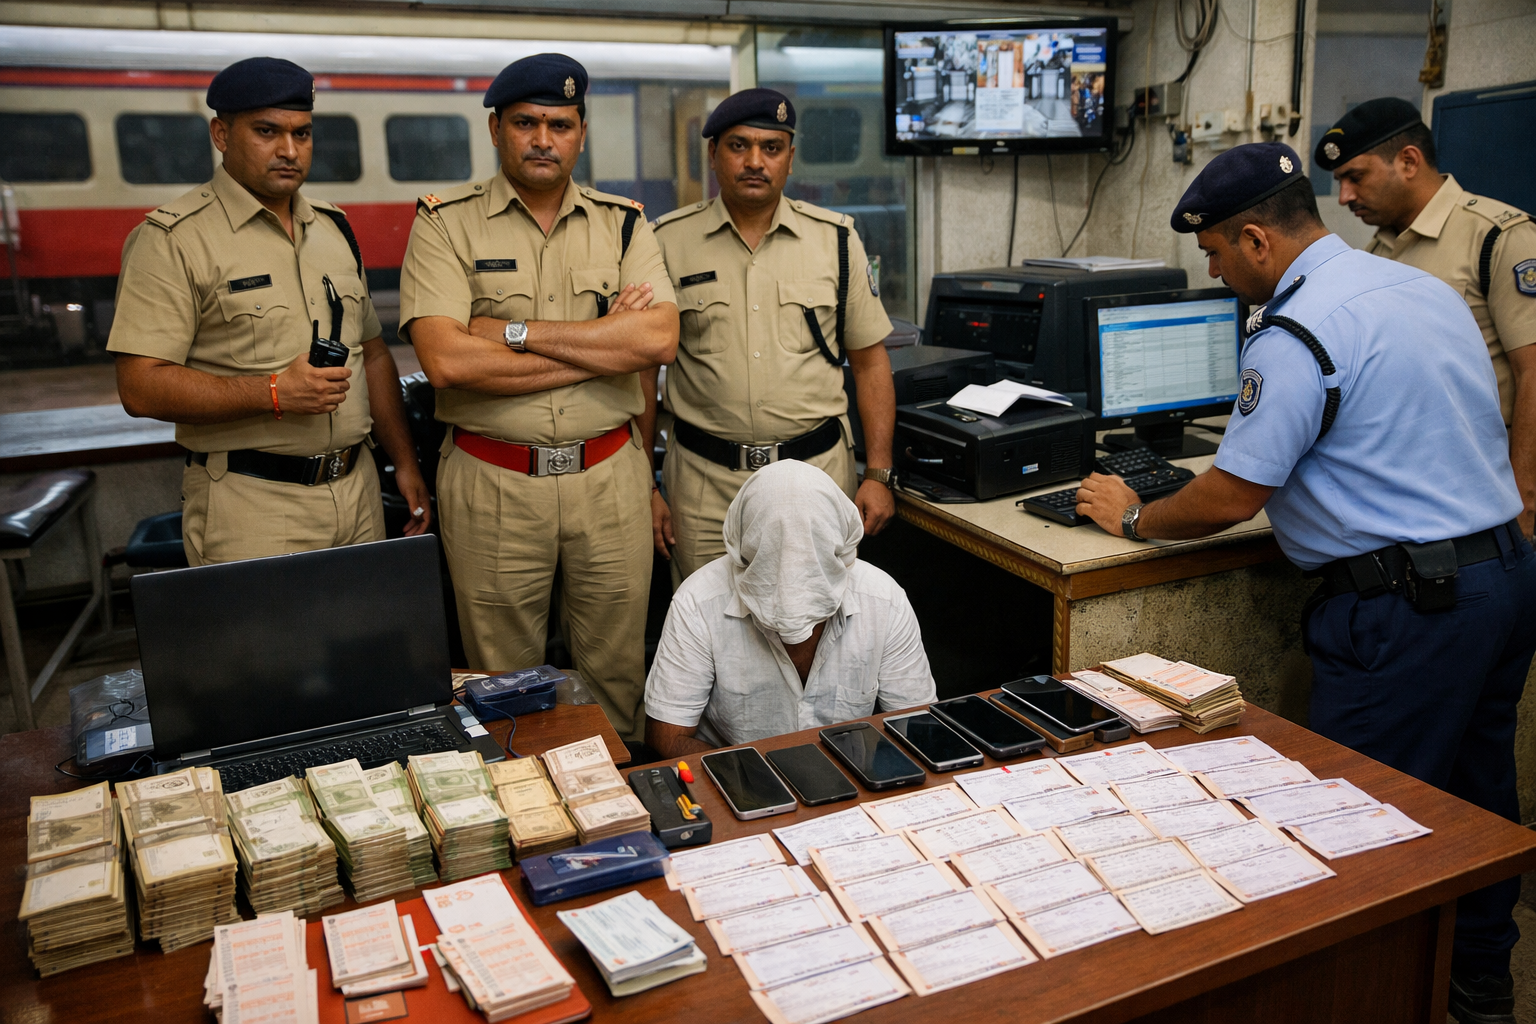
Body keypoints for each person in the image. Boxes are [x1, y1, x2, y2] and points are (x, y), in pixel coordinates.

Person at [1075, 141, 1536, 1024]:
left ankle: (1360, 999)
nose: (1214, 272)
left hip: (1409, 608)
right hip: (1504, 577)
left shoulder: (1294, 329)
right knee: (1475, 799)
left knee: (1358, 823)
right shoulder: (1418, 287)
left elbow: (1230, 495)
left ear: (1257, 240)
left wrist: (1135, 516)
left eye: (1215, 252)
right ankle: (1479, 988)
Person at [398, 53, 678, 742]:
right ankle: (525, 800)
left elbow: (658, 339)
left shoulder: (624, 224)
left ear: (582, 133)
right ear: (496, 129)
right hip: (493, 481)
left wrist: (511, 333)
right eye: (526, 123)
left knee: (617, 676)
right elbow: (446, 361)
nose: (543, 139)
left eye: (560, 125)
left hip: (609, 478)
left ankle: (615, 798)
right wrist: (601, 347)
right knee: (501, 686)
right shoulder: (445, 223)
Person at [109, 57, 430, 566]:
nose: (289, 151)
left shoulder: (333, 229)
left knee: (362, 622)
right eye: (267, 132)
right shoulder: (173, 240)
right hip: (251, 504)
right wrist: (274, 392)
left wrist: (404, 462)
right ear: (221, 134)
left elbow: (371, 355)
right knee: (267, 625)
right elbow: (139, 386)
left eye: (302, 134)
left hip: (358, 492)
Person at [649, 88, 899, 582]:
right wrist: (647, 488)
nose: (755, 161)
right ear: (713, 154)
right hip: (704, 487)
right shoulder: (666, 242)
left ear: (790, 157)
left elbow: (871, 363)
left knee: (816, 618)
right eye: (738, 146)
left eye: (771, 147)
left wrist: (878, 474)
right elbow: (641, 373)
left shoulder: (836, 240)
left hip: (816, 475)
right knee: (708, 621)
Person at [1316, 96, 1536, 539]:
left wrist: (1524, 502)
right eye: (1340, 182)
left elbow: (1532, 372)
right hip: (1415, 496)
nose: (1344, 197)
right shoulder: (1376, 253)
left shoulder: (1496, 237)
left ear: (1409, 161)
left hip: (1489, 490)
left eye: (1355, 177)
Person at [643, 459, 936, 757]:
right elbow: (666, 736)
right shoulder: (697, 603)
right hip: (736, 778)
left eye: (811, 559)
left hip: (852, 774)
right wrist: (749, 774)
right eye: (772, 559)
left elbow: (916, 727)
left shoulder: (884, 600)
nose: (790, 573)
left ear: (840, 546)